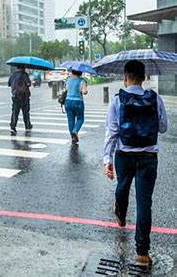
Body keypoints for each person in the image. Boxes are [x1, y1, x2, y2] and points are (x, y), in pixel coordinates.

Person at [103, 60, 167, 267]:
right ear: (145, 77)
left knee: (122, 188)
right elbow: (163, 127)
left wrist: (107, 160)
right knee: (144, 203)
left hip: (124, 154)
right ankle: (142, 253)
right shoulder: (155, 99)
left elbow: (112, 132)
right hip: (148, 157)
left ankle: (120, 215)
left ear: (125, 77)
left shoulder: (117, 100)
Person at [64, 70, 88, 143]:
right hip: (78, 102)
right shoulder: (82, 81)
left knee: (70, 120)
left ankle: (73, 137)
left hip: (67, 101)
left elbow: (66, 89)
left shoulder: (68, 79)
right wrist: (85, 88)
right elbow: (84, 92)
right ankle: (75, 130)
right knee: (80, 118)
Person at [8, 65, 32, 134]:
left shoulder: (12, 75)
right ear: (23, 68)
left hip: (15, 96)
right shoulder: (25, 75)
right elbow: (28, 84)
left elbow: (9, 84)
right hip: (24, 97)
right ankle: (27, 125)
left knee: (15, 112)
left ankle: (13, 127)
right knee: (26, 112)